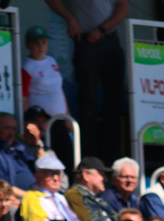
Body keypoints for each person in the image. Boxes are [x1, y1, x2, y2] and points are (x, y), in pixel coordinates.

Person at [45, 0, 127, 164]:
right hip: (86, 41)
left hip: (111, 40)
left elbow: (123, 9)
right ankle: (89, 156)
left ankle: (111, 157)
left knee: (114, 101)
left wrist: (102, 29)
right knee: (87, 102)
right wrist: (70, 19)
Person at [20, 156, 89, 221]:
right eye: (51, 174)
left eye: (58, 174)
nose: (56, 178)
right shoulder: (32, 198)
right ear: (37, 176)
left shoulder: (60, 198)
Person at [64, 157, 117, 221]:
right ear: (86, 175)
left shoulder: (97, 198)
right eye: (102, 174)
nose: (105, 179)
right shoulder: (74, 195)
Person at [21, 26, 68, 118]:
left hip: (61, 117)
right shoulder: (26, 66)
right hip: (41, 121)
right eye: (36, 43)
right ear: (27, 45)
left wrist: (67, 114)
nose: (41, 47)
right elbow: (23, 98)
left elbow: (58, 89)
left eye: (44, 42)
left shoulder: (51, 60)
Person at [0, 112, 38, 192]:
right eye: (7, 128)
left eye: (13, 129)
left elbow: (42, 169)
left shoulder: (19, 146)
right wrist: (31, 197)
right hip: (14, 198)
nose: (11, 133)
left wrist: (36, 144)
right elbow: (3, 185)